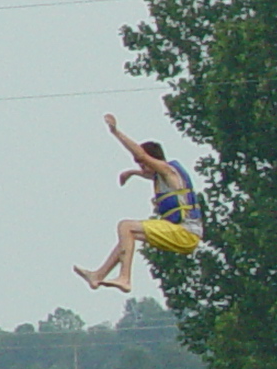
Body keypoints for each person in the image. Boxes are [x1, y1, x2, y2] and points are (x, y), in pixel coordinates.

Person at [73, 115, 205, 295]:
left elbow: (140, 154)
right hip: (180, 234)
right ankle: (98, 276)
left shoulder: (169, 171)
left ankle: (124, 278)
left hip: (186, 233)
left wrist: (115, 132)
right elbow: (148, 173)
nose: (142, 167)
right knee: (127, 236)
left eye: (143, 164)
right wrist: (132, 172)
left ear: (153, 160)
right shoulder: (160, 177)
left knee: (125, 226)